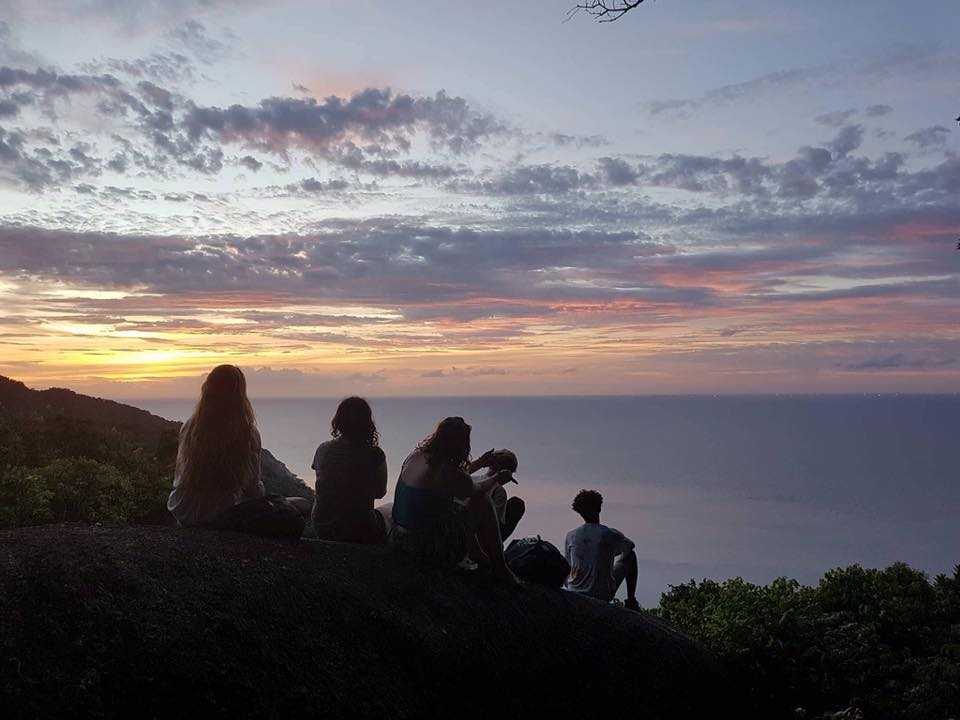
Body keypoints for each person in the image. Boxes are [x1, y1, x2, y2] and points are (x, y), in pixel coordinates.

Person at [167, 364, 310, 530]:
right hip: (221, 516)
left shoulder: (190, 428)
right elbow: (253, 490)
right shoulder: (246, 433)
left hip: (183, 511)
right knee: (302, 504)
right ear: (240, 395)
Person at [389, 417, 518, 583]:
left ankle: (478, 555)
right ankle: (500, 567)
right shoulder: (447, 470)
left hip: (398, 538)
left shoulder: (416, 456)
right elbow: (475, 489)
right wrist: (496, 479)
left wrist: (479, 463)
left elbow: (458, 480)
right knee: (482, 500)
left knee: (457, 508)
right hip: (423, 547)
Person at [310, 397, 388, 544]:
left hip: (323, 526)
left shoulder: (323, 449)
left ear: (338, 421)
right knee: (389, 511)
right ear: (368, 423)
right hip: (359, 530)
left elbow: (323, 480)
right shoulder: (375, 454)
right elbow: (380, 493)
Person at [564, 489, 639, 610]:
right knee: (631, 556)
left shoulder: (571, 535)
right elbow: (630, 546)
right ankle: (631, 600)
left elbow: (568, 567)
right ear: (599, 508)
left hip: (574, 591)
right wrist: (608, 553)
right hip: (601, 594)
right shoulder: (608, 533)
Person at [471, 449, 525, 542]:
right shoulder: (499, 491)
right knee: (517, 504)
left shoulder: (471, 479)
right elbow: (493, 527)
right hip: (478, 539)